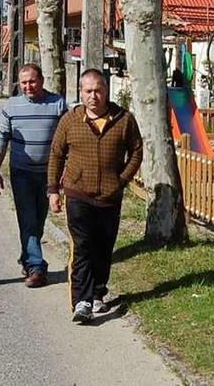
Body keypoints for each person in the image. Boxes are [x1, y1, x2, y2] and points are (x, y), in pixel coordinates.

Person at [47, 69, 143, 323]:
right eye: (88, 91)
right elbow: (56, 154)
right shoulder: (70, 120)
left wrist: (121, 180)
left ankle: (98, 290)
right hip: (78, 194)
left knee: (103, 246)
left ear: (106, 91)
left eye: (98, 90)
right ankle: (82, 301)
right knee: (82, 247)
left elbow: (136, 151)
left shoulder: (124, 119)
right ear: (81, 92)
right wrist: (53, 190)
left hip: (110, 197)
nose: (93, 96)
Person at [0, 64, 68, 287]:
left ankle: (28, 255)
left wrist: (67, 169)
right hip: (22, 173)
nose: (28, 86)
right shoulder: (11, 106)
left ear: (42, 80)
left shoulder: (58, 104)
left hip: (49, 173)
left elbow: (68, 140)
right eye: (24, 82)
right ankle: (37, 267)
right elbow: (1, 140)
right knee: (27, 218)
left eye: (32, 81)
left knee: (39, 219)